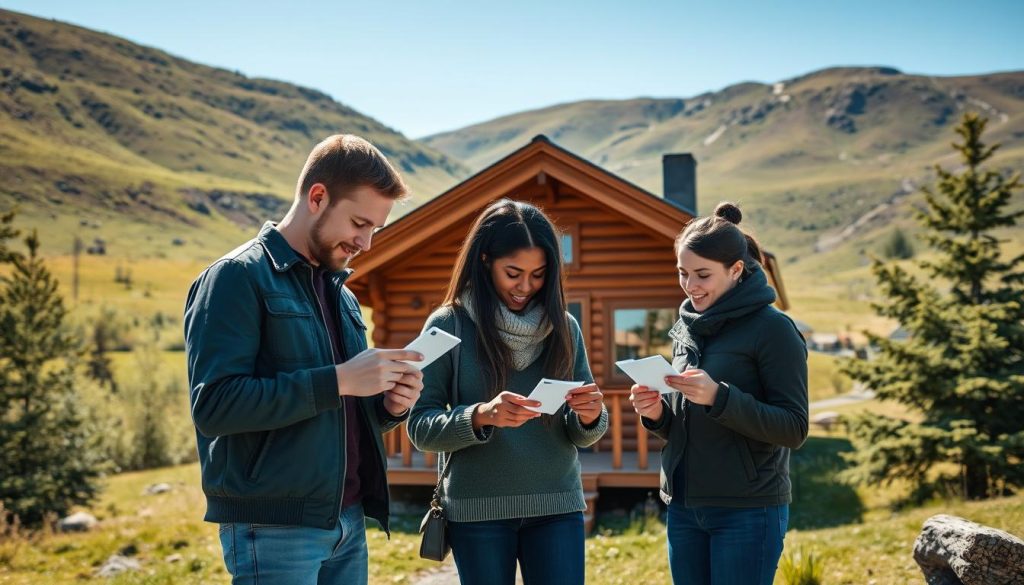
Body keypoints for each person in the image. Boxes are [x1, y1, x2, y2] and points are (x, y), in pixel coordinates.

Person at [184, 134, 425, 585]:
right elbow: (214, 406)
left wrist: (389, 406)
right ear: (317, 197)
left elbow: (343, 407)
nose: (366, 243)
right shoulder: (236, 278)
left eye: (374, 228)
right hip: (273, 528)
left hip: (348, 522)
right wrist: (337, 380)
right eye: (359, 223)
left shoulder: (344, 295)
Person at [407, 199, 608, 585]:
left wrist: (589, 416)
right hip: (476, 510)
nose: (526, 287)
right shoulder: (448, 324)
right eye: (513, 273)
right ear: (485, 261)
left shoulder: (565, 327)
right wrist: (480, 416)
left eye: (538, 275)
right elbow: (419, 427)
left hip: (557, 504)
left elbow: (584, 431)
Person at [629, 202, 808, 585]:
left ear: (736, 269)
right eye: (682, 273)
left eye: (702, 275)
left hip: (747, 510)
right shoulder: (686, 328)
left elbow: (794, 428)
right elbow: (686, 425)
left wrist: (719, 397)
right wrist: (657, 414)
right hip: (684, 507)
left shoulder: (774, 330)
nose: (690, 286)